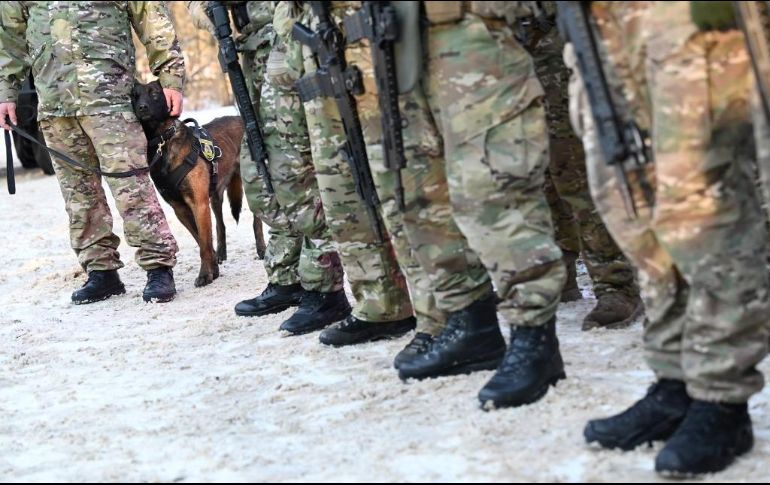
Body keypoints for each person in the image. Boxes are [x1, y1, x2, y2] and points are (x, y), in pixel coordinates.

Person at [566, 1, 770, 476]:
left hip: (679, 16)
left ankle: (720, 398)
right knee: (634, 201)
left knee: (704, 200)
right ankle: (674, 381)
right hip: (599, 20)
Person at [0, 1, 184, 304]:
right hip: (56, 105)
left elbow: (152, 17)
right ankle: (101, 272)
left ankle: (158, 266)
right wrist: (6, 92)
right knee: (78, 195)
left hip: (111, 100)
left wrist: (171, 76)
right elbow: (10, 35)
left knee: (131, 187)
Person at [187, 1, 351, 332]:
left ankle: (324, 289)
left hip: (288, 44)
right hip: (248, 52)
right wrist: (202, 12)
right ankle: (286, 278)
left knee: (294, 170)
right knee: (260, 173)